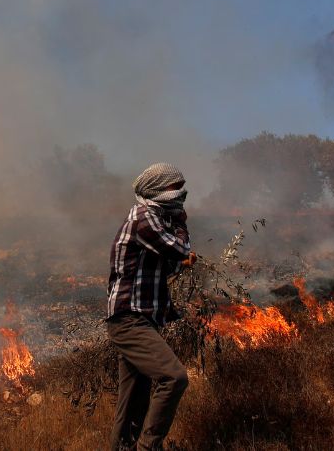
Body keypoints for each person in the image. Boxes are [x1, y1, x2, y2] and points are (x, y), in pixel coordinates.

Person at [106, 162, 197, 451]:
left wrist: (180, 261)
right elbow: (179, 249)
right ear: (157, 188)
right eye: (175, 187)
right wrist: (181, 225)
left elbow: (166, 266)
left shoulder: (156, 218)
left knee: (132, 403)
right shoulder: (144, 218)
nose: (180, 193)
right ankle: (149, 447)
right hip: (130, 319)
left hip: (140, 320)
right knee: (174, 378)